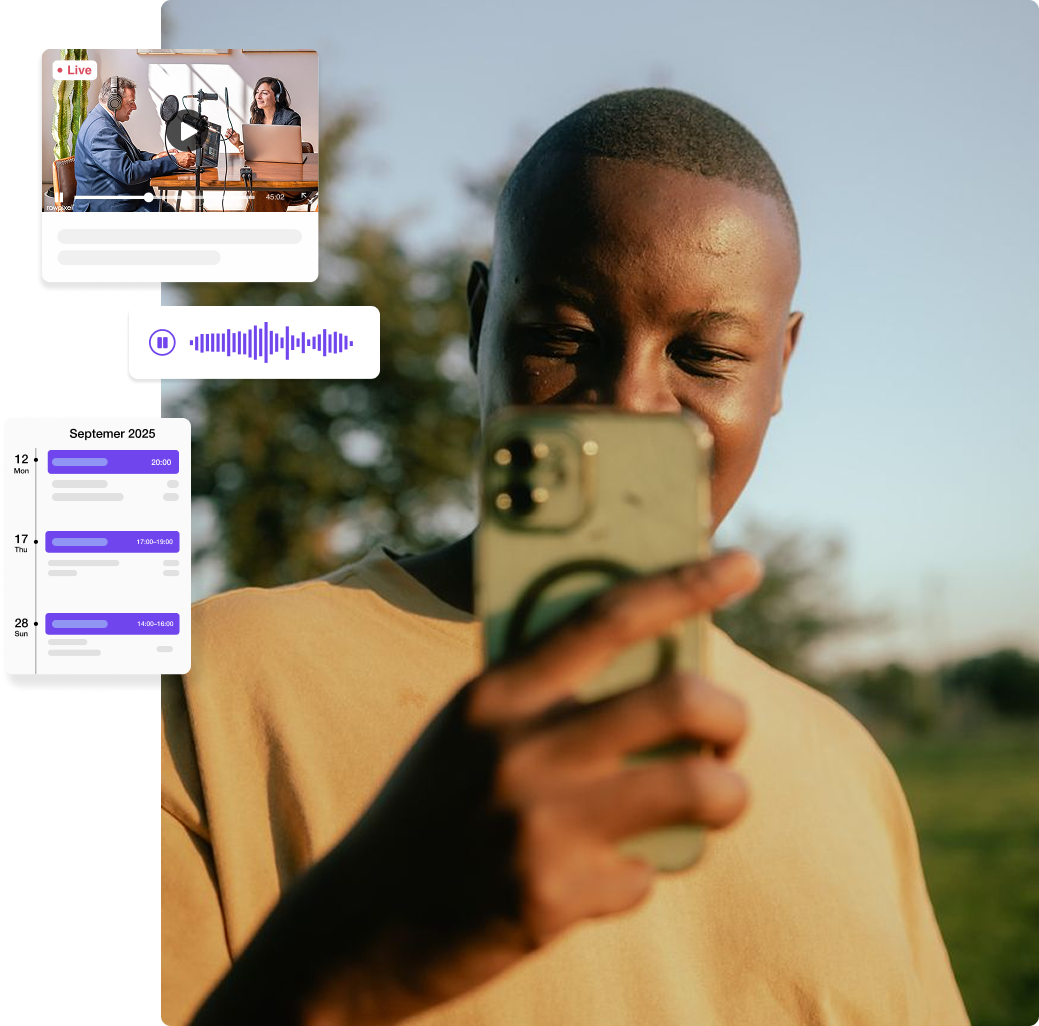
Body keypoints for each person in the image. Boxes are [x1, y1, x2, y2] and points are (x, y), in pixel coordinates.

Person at [162, 89, 969, 1026]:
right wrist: (346, 965)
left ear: (780, 367)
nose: (626, 408)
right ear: (478, 324)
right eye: (562, 338)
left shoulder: (847, 769)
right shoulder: (208, 683)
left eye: (706, 356)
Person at [72, 76, 193, 212]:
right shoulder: (102, 131)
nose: (134, 107)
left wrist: (155, 158)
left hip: (120, 198)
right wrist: (174, 161)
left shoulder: (108, 121)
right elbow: (129, 173)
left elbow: (130, 154)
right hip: (107, 208)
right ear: (114, 102)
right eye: (131, 102)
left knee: (167, 210)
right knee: (167, 212)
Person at [224, 77, 302, 153]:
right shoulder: (255, 119)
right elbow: (257, 153)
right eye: (257, 92)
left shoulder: (291, 118)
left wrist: (256, 150)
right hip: (262, 165)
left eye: (264, 93)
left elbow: (288, 152)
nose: (258, 97)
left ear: (277, 97)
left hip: (285, 165)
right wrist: (238, 143)